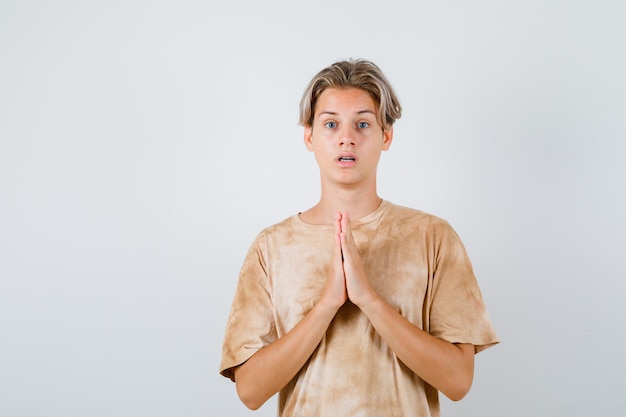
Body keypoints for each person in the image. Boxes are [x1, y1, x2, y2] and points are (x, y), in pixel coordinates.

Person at [219, 58, 499, 417]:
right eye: (331, 123)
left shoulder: (433, 237)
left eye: (362, 124)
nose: (346, 137)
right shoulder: (271, 247)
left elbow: (459, 381)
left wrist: (368, 298)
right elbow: (251, 391)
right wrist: (326, 306)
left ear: (386, 135)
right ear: (309, 136)